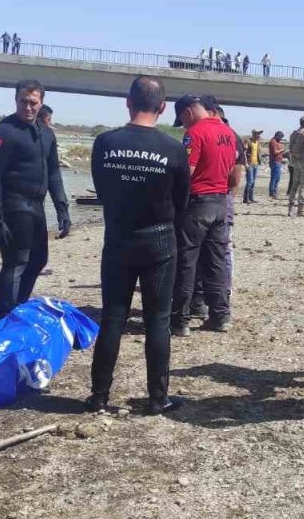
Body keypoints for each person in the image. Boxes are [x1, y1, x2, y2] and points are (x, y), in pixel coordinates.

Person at [87, 77, 188, 415]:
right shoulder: (173, 149)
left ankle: (99, 396)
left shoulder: (105, 143)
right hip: (159, 239)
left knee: (112, 318)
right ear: (162, 108)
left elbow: (102, 192)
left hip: (118, 237)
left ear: (127, 102)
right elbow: (182, 200)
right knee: (158, 321)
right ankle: (158, 398)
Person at [0, 80, 71, 320]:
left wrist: (62, 208)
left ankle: (16, 308)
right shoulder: (4, 131)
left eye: (33, 102)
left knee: (38, 261)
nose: (28, 107)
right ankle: (5, 316)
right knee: (15, 262)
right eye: (24, 102)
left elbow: (54, 173)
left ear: (41, 102)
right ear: (16, 100)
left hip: (36, 207)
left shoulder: (47, 134)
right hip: (13, 205)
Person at [169, 95, 238, 336]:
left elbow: (186, 171)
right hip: (221, 202)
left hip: (197, 203)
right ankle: (220, 316)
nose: (184, 125)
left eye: (182, 120)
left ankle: (180, 321)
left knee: (186, 263)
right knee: (216, 261)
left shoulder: (195, 133)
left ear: (187, 112)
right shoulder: (228, 133)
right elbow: (232, 172)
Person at [286, 116, 304, 216]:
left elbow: (290, 148)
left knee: (295, 185)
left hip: (296, 162)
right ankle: (300, 210)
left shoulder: (293, 134)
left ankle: (290, 209)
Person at [243, 130, 263, 204]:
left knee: (253, 182)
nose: (259, 136)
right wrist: (246, 163)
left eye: (259, 134)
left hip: (256, 164)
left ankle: (251, 198)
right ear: (254, 134)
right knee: (249, 181)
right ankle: (246, 198)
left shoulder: (257, 143)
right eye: (258, 134)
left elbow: (259, 152)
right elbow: (244, 152)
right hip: (250, 163)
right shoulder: (248, 141)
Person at [268, 131, 285, 199]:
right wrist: (281, 150)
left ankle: (275, 191)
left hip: (278, 162)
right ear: (277, 135)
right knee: (274, 178)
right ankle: (272, 192)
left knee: (277, 178)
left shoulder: (277, 142)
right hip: (275, 162)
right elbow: (275, 152)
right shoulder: (273, 142)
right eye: (280, 137)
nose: (281, 139)